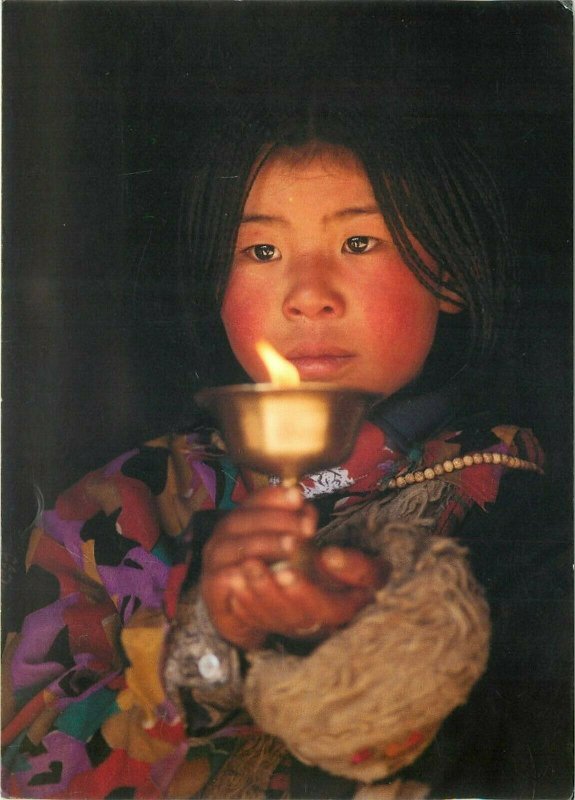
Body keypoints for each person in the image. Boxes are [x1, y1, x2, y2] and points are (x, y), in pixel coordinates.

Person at [2, 98, 567, 800]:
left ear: (449, 273)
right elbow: (25, 766)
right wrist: (210, 638)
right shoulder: (116, 510)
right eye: (262, 250)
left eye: (359, 242)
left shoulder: (515, 504)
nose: (306, 296)